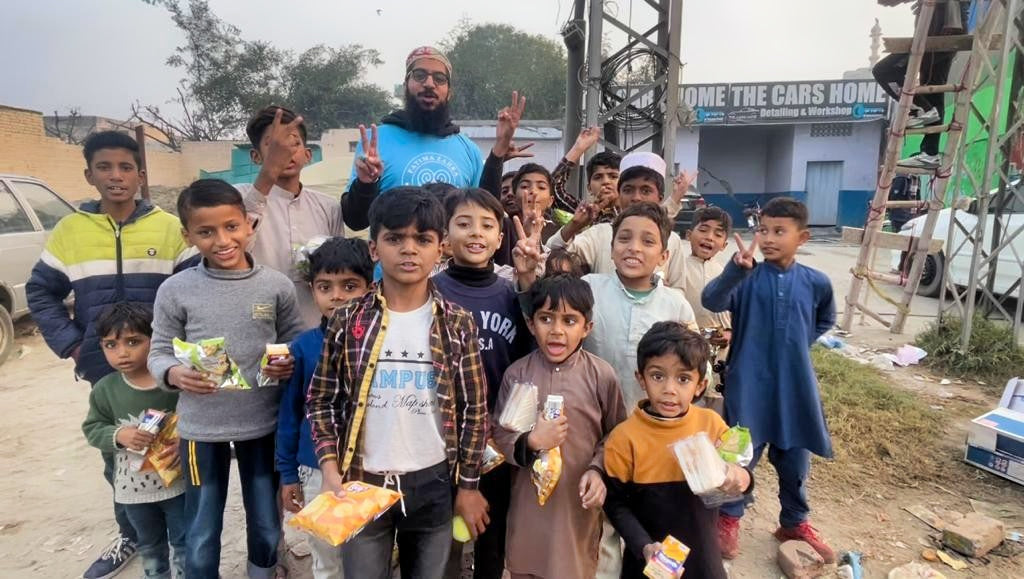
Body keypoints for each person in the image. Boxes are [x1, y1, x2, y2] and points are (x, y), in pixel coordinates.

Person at [26, 130, 194, 579]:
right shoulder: (71, 231)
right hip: (106, 369)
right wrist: (74, 343)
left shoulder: (167, 228)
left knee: (176, 451)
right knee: (118, 455)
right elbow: (41, 292)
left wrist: (181, 353)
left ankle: (181, 536)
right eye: (104, 167)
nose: (116, 177)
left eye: (125, 167)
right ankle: (132, 533)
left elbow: (193, 292)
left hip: (164, 369)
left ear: (141, 174)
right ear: (89, 174)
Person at [307, 187, 489, 578]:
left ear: (440, 248)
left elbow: (474, 411)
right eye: (395, 238)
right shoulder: (348, 321)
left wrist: (469, 487)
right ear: (374, 248)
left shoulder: (457, 323)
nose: (409, 249)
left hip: (434, 484)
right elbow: (322, 399)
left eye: (422, 239)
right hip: (361, 483)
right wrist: (328, 466)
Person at [148, 179, 305, 578]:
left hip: (263, 424)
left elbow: (294, 341)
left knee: (267, 521)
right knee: (201, 527)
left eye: (231, 227)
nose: (222, 240)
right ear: (188, 235)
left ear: (248, 225)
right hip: (201, 429)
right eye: (206, 231)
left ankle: (262, 572)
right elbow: (159, 350)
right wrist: (174, 373)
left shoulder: (276, 286)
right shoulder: (176, 289)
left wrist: (286, 363)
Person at [702, 197, 837, 563]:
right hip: (748, 386)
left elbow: (826, 319)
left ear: (802, 237)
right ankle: (728, 518)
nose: (770, 238)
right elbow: (711, 300)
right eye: (764, 230)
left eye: (780, 231)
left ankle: (794, 520)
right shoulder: (747, 279)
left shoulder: (816, 282)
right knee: (738, 455)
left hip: (795, 388)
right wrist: (734, 272)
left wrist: (793, 345)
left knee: (795, 460)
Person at [492, 274, 627, 579]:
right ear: (530, 324)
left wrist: (597, 469)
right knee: (524, 564)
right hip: (528, 505)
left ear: (587, 327)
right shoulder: (517, 374)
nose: (556, 331)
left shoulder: (601, 376)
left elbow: (616, 435)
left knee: (574, 567)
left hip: (576, 503)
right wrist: (530, 441)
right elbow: (500, 434)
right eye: (546, 318)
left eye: (569, 321)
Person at [433, 188, 533, 579]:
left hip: (497, 435)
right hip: (444, 437)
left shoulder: (511, 293)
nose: (476, 233)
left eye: (487, 225)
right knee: (449, 532)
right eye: (464, 223)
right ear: (444, 236)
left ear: (500, 238)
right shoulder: (433, 292)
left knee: (492, 527)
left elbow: (529, 356)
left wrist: (527, 282)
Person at [603, 322, 753, 579]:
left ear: (700, 385)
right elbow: (615, 504)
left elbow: (742, 476)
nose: (669, 389)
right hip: (651, 562)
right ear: (641, 378)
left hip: (704, 560)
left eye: (683, 379)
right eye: (658, 376)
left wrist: (741, 478)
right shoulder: (624, 439)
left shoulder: (712, 426)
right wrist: (644, 546)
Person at [342, 47, 525, 231]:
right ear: (406, 85)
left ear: (449, 92)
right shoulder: (376, 141)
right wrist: (366, 183)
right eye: (420, 75)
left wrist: (499, 149)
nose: (429, 83)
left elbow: (487, 215)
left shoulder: (468, 149)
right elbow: (355, 221)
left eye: (439, 79)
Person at [276, 237, 373, 579]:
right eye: (325, 286)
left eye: (350, 286)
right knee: (326, 553)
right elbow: (289, 415)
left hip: (370, 467)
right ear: (312, 290)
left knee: (368, 551)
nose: (337, 296)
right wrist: (288, 474)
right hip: (316, 468)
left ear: (369, 286)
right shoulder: (302, 348)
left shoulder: (384, 343)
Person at [82, 303, 185, 579]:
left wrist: (184, 442)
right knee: (150, 547)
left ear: (155, 340)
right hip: (133, 493)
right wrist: (119, 435)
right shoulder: (106, 390)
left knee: (184, 543)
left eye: (133, 342)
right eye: (111, 345)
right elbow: (92, 428)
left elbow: (196, 419)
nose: (122, 353)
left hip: (177, 485)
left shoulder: (173, 383)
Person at [237, 105, 345, 328]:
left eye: (293, 143)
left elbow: (337, 270)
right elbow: (237, 247)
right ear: (256, 156)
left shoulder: (328, 207)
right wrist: (268, 173)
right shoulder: (237, 199)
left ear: (308, 155)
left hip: (314, 330)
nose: (285, 151)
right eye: (274, 145)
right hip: (257, 330)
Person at [545, 152, 695, 289]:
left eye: (645, 191)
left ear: (659, 198)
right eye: (628, 190)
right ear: (619, 194)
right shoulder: (600, 234)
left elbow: (678, 290)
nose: (636, 197)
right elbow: (550, 257)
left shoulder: (672, 240)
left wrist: (660, 295)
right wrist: (574, 226)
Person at [873, 0, 970, 169]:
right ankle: (930, 153)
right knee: (934, 87)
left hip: (939, 34)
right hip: (944, 33)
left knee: (883, 70)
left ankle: (921, 108)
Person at [683, 207, 734, 415]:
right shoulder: (677, 268)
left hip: (721, 354)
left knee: (717, 407)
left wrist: (731, 333)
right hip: (687, 348)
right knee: (690, 402)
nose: (709, 237)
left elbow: (737, 313)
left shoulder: (728, 273)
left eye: (718, 234)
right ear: (688, 235)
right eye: (703, 230)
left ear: (725, 244)